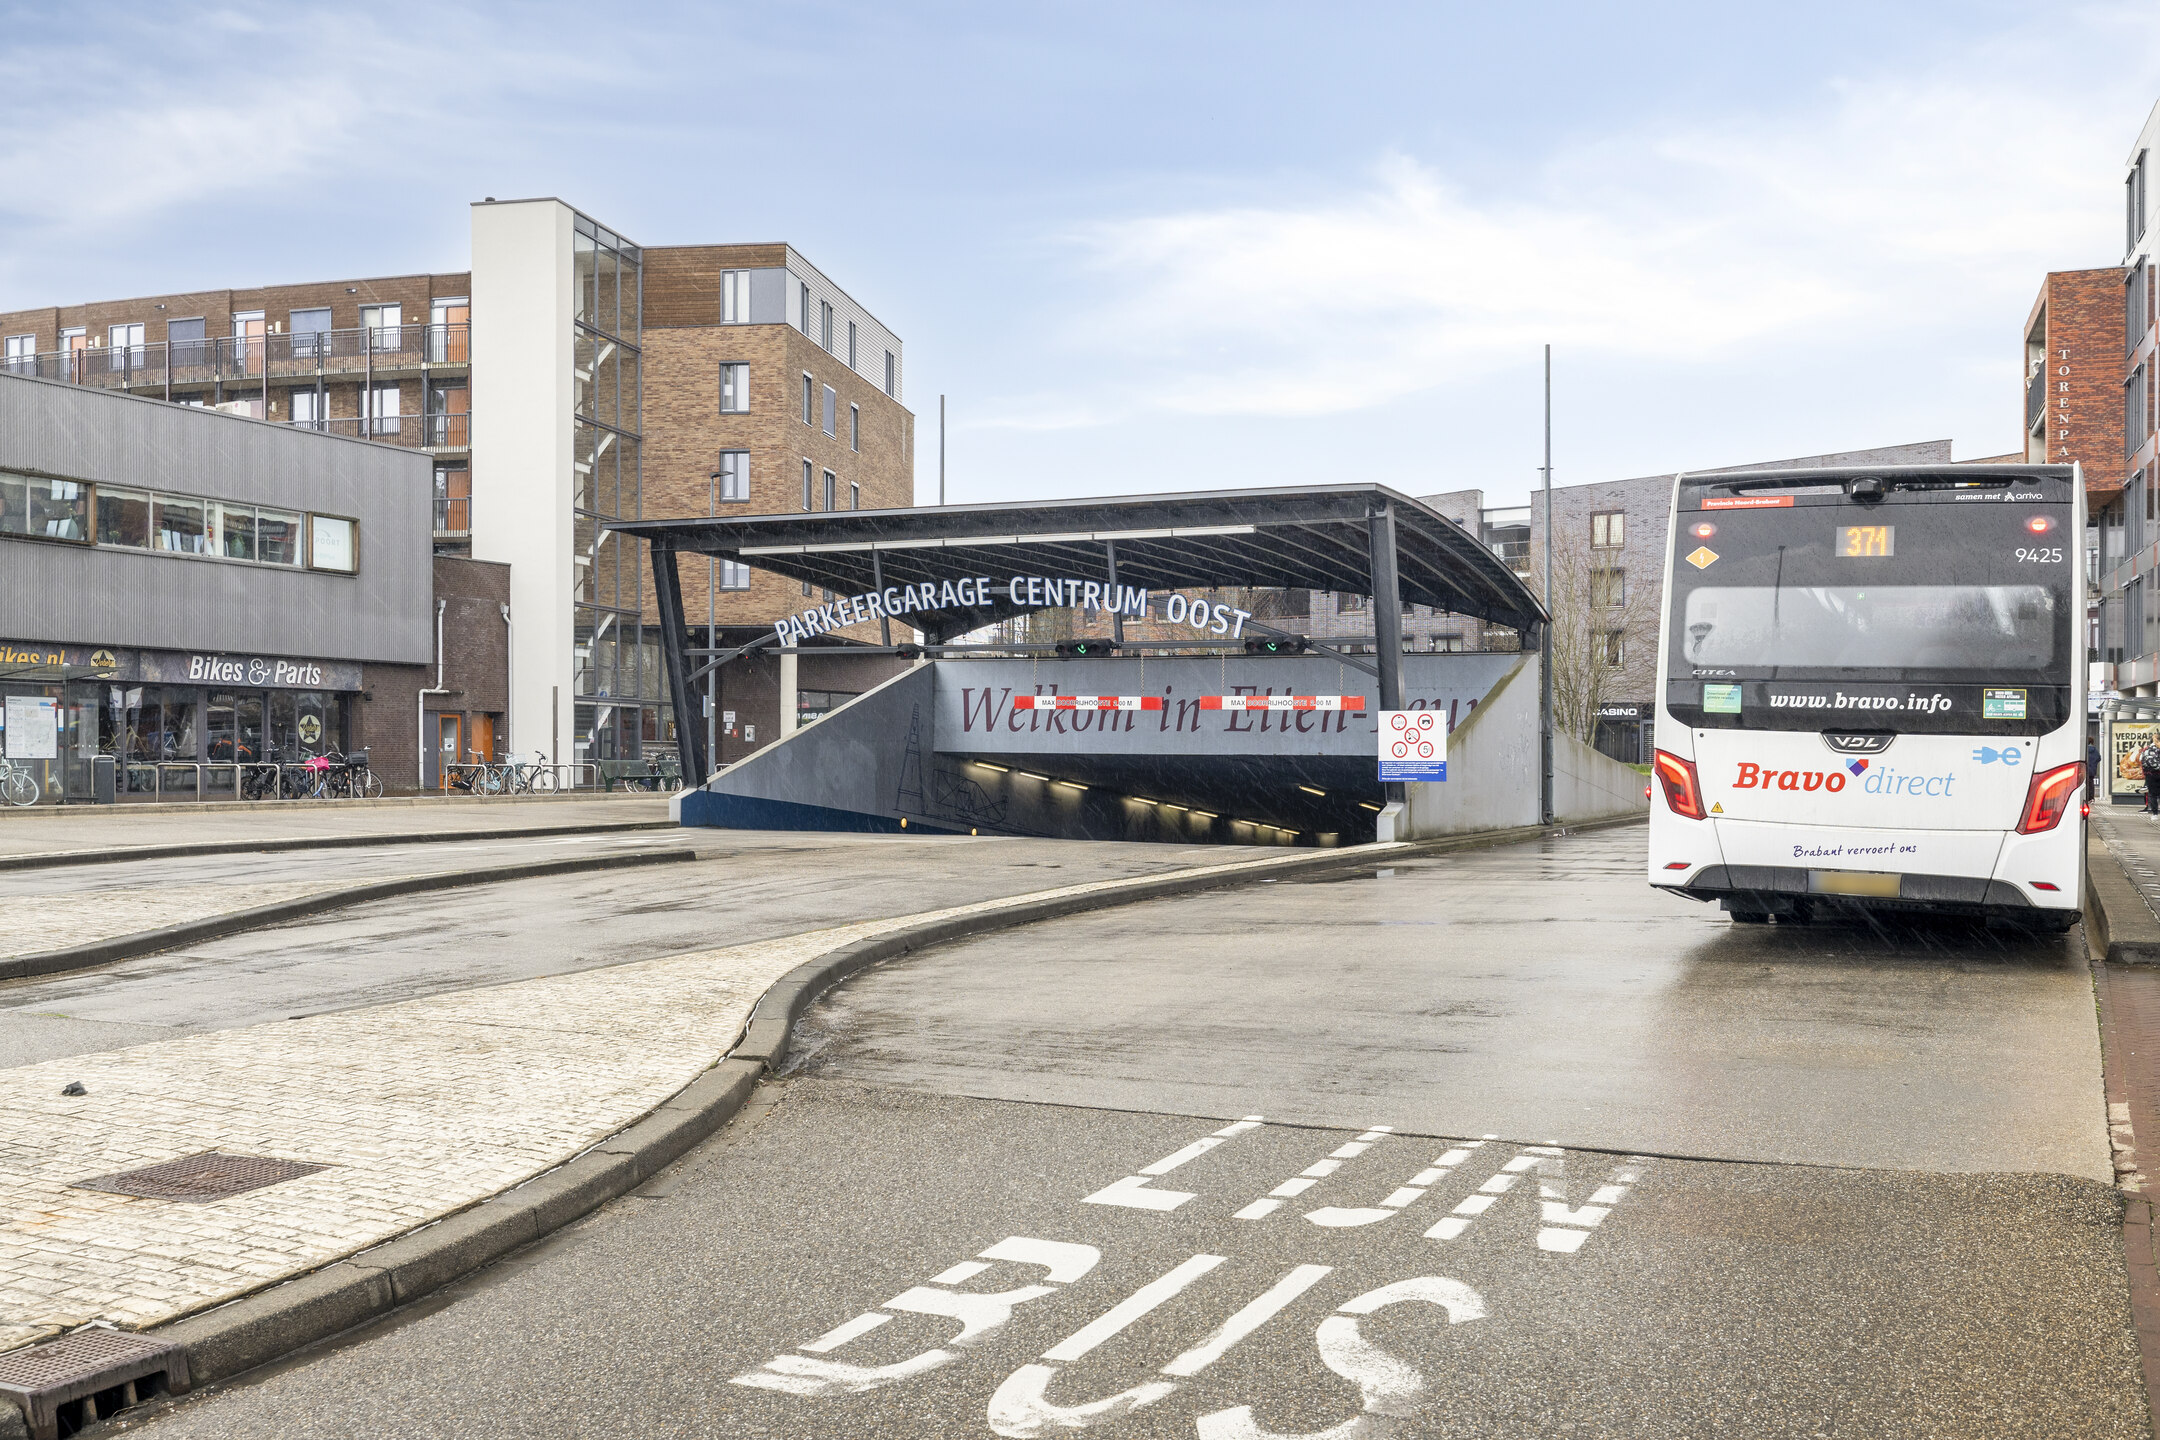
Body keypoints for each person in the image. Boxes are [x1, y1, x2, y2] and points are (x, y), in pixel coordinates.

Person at [2142, 741, 2160, 815]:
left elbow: (2142, 761)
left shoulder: (2147, 749)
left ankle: (2154, 813)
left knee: (2152, 794)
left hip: (2151, 774)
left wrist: (2146, 772)